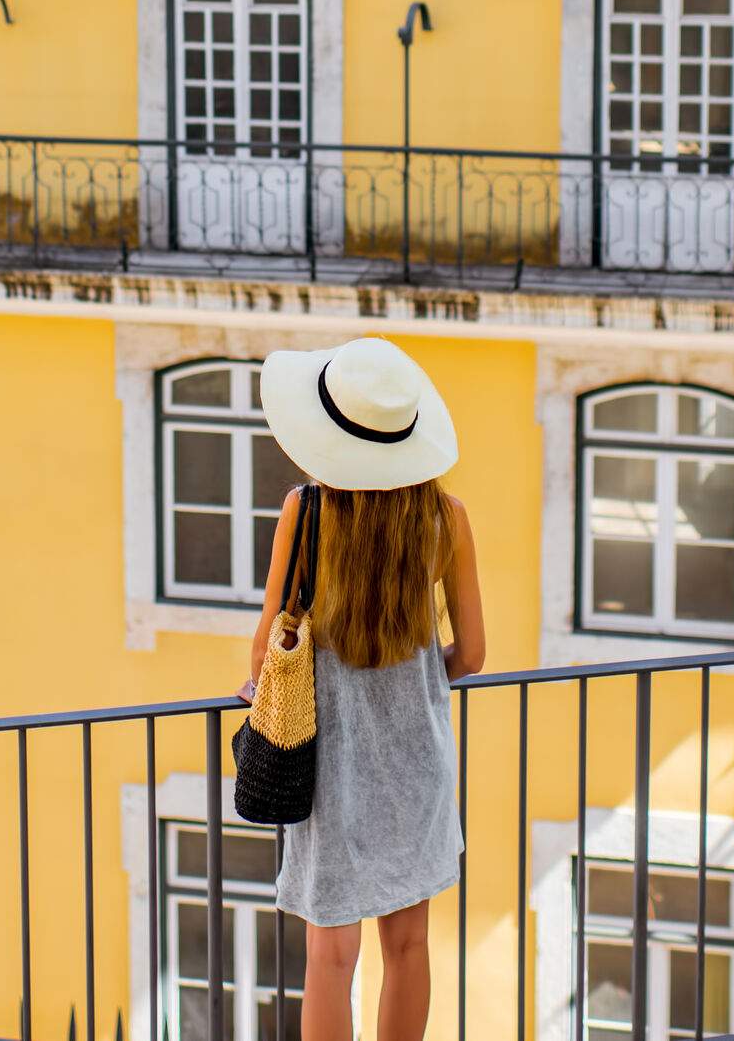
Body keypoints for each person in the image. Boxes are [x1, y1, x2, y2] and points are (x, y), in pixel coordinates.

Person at [240, 337, 487, 1041]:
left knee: (331, 958)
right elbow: (471, 654)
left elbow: (267, 651)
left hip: (332, 769)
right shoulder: (447, 519)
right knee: (408, 949)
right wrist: (410, 685)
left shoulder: (308, 512)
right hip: (420, 764)